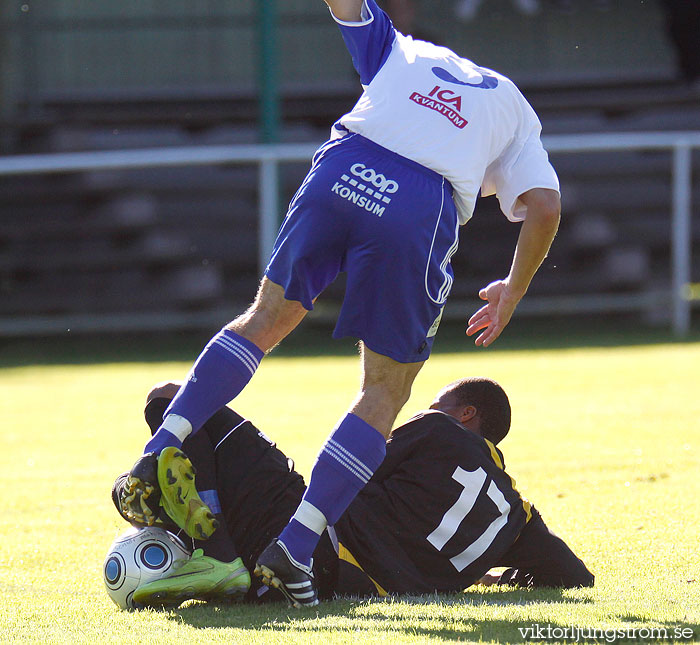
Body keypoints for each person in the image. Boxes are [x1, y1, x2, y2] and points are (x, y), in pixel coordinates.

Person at [118, 0, 561, 607]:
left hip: (343, 166)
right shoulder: (513, 107)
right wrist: (513, 290)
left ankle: (157, 449)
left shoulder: (403, 50)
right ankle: (294, 548)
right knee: (385, 389)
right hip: (418, 204)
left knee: (263, 321)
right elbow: (544, 207)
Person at [113, 378, 592, 607]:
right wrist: (494, 577)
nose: (427, 409)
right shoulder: (517, 515)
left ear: (465, 414)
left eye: (437, 403)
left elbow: (353, 466)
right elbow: (575, 576)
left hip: (297, 544)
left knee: (171, 397)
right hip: (329, 584)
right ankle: (205, 542)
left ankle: (212, 551)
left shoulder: (440, 431)